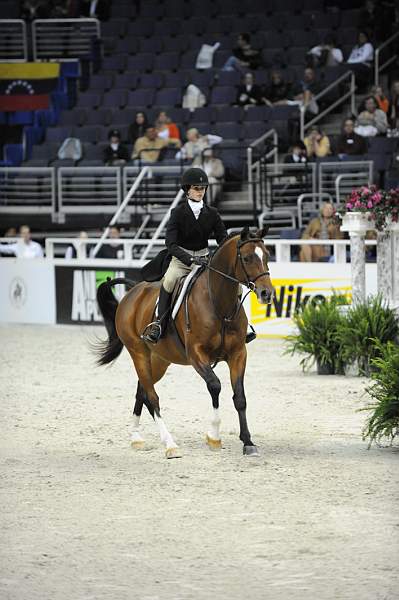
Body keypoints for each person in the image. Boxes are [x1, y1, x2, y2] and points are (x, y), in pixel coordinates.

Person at [140, 168, 227, 344]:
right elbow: (170, 243)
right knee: (170, 280)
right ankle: (158, 323)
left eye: (203, 188)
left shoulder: (212, 213)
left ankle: (240, 324)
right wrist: (189, 259)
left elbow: (222, 239)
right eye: (196, 188)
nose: (200, 191)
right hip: (181, 260)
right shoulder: (177, 213)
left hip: (204, 259)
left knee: (232, 282)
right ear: (187, 189)